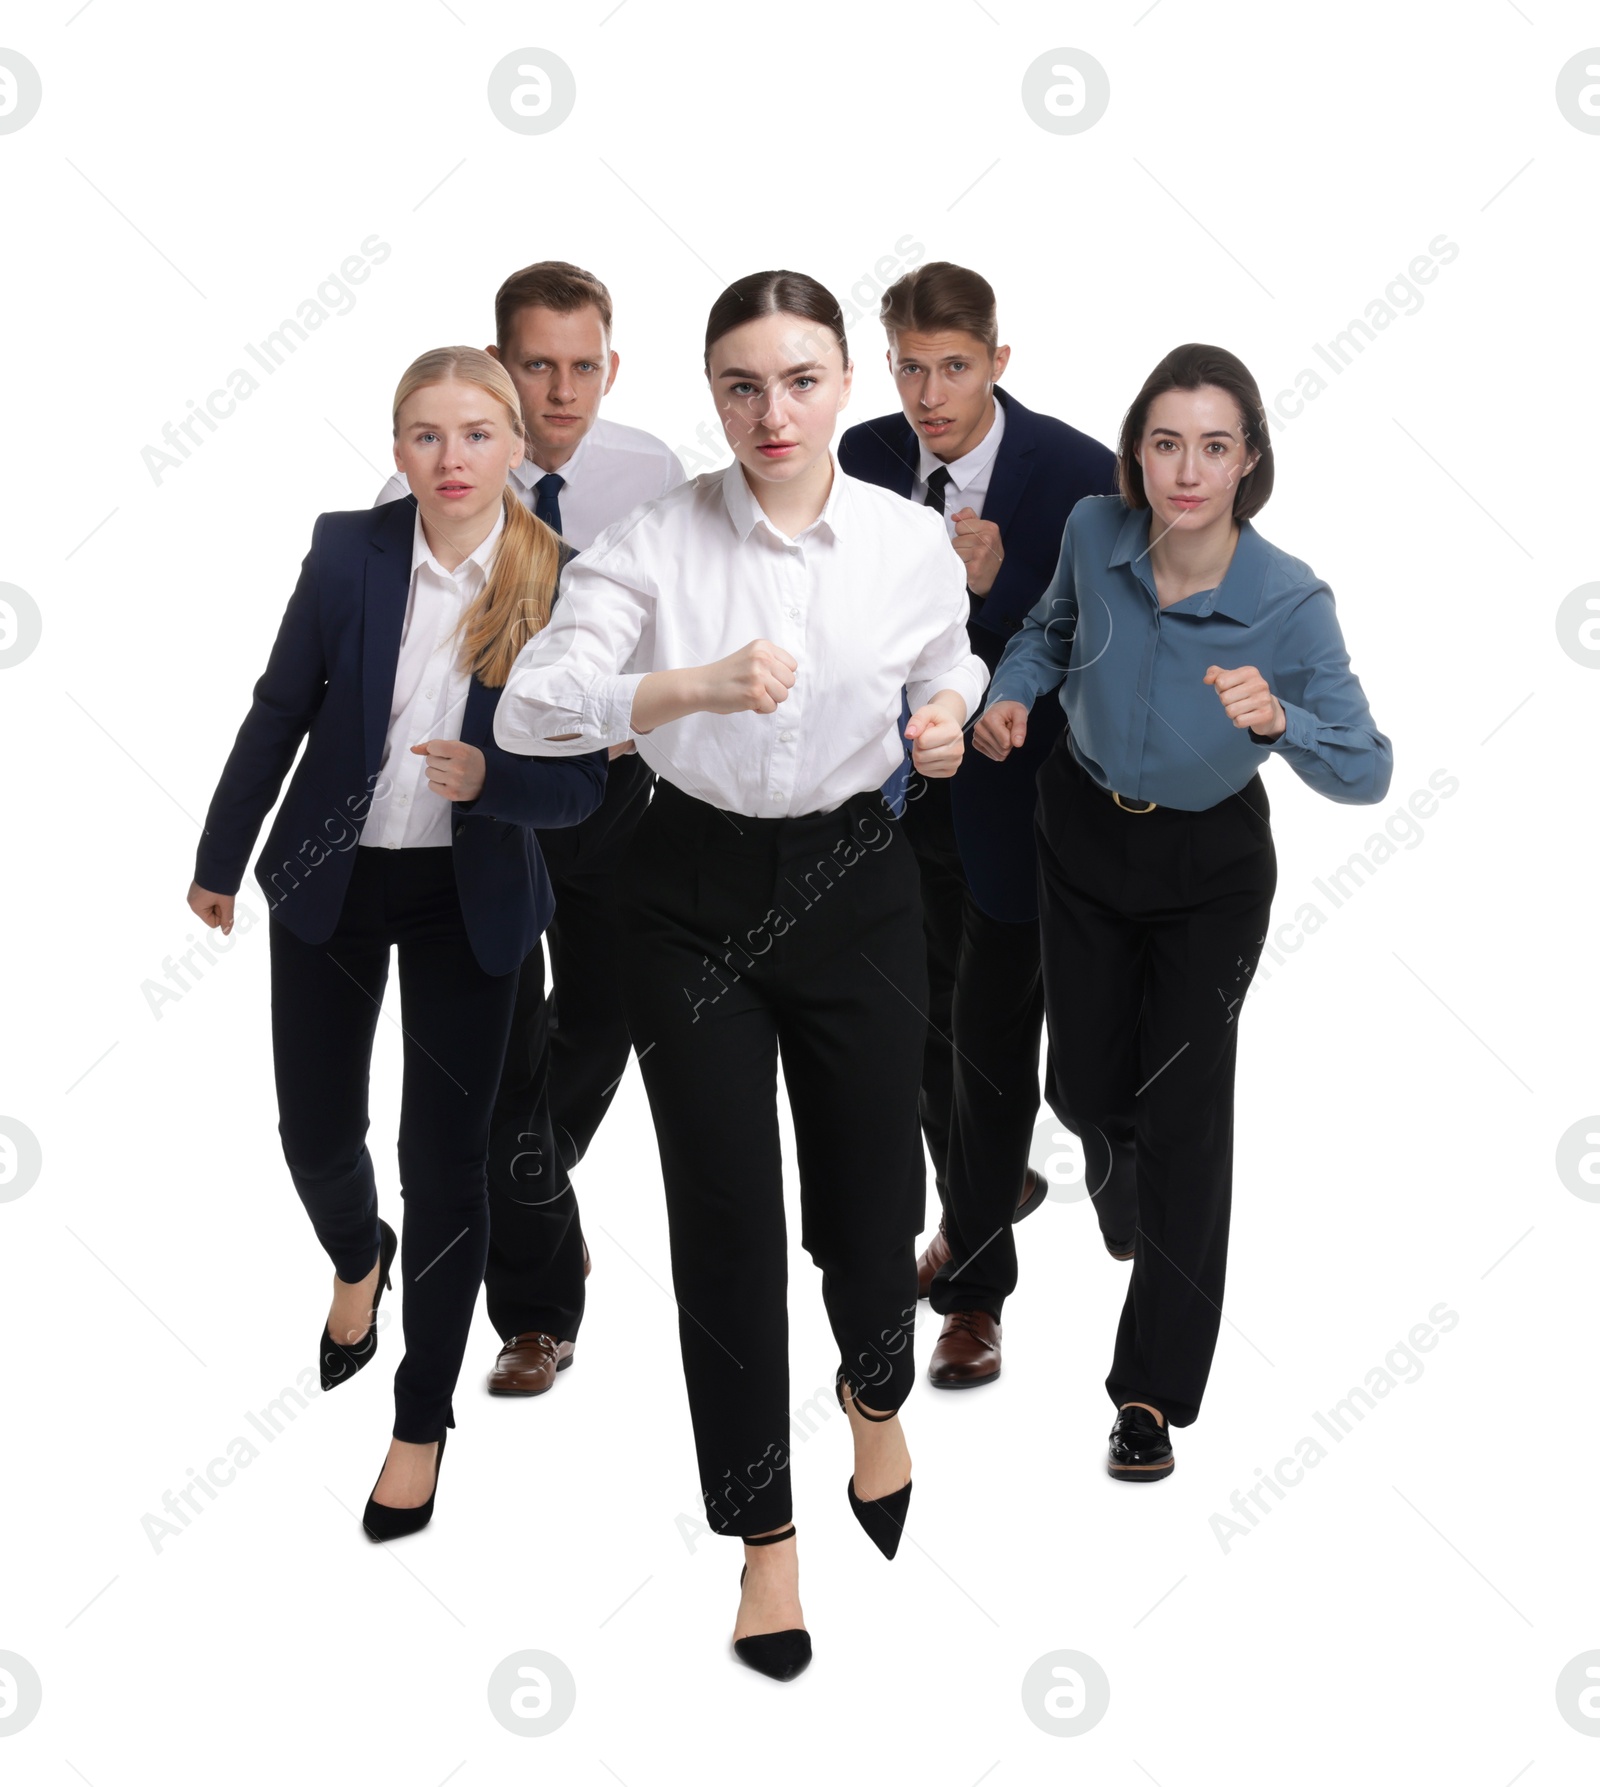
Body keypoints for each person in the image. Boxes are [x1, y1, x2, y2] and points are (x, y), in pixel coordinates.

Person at [493, 270, 988, 1679]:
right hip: (686, 893)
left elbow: (943, 657)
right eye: (742, 385)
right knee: (724, 1216)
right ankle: (765, 1534)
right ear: (712, 394)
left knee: (873, 1193)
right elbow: (535, 701)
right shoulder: (652, 538)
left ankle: (875, 1382)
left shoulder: (907, 540)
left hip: (856, 886)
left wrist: (944, 713)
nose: (774, 412)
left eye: (803, 379)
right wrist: (685, 688)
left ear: (849, 384)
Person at [188, 347, 606, 1539]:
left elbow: (585, 788)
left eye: (477, 433)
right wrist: (222, 858)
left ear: (517, 445)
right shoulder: (345, 552)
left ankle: (420, 1419)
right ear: (397, 448)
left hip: (464, 897)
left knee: (448, 1164)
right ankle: (354, 1255)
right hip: (333, 879)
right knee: (315, 1132)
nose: (451, 458)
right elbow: (280, 706)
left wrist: (496, 779)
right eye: (425, 434)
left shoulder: (564, 581)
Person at [975, 342, 1392, 1480]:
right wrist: (1011, 695)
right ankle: (1116, 1177)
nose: (1186, 468)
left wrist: (1280, 726)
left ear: (1249, 460)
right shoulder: (1092, 531)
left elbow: (1369, 770)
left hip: (1208, 867)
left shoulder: (1291, 601)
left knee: (1184, 1120)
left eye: (1214, 445)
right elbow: (1049, 633)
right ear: (1138, 453)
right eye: (1165, 442)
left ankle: (1150, 1392)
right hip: (1080, 826)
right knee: (1083, 1088)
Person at [377, 262, 684, 1398]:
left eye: (583, 366)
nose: (562, 391)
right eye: (538, 366)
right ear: (500, 368)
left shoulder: (653, 474)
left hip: (614, 798)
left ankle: (534, 1189)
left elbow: (694, 610)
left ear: (612, 367)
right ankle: (538, 1313)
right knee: (505, 1062)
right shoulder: (450, 477)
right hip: (490, 806)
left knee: (604, 1023)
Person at [839, 261, 1123, 1389]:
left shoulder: (1075, 470)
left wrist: (996, 596)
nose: (928, 392)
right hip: (885, 798)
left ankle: (970, 1294)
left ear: (997, 363)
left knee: (993, 1041)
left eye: (952, 367)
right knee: (912, 1026)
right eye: (909, 366)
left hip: (1017, 802)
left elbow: (1105, 648)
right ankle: (985, 1182)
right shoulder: (857, 460)